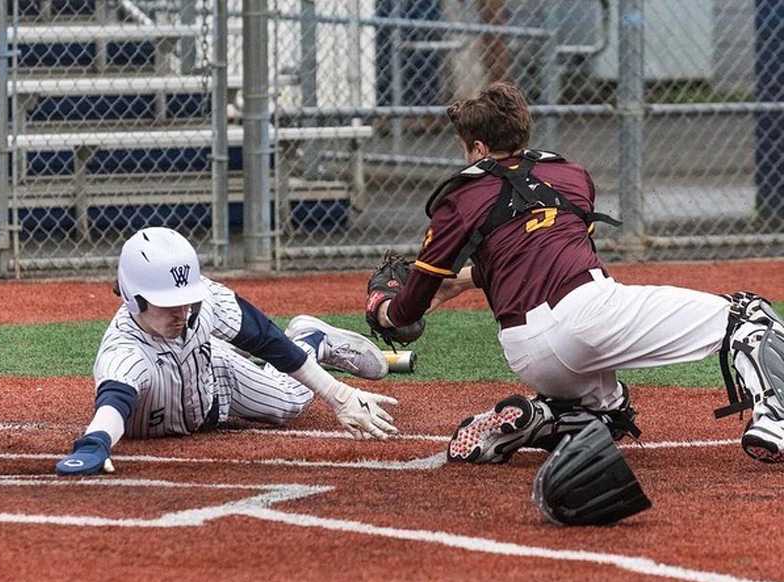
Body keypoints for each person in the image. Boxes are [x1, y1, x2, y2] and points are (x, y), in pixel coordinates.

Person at [366, 81, 784, 465]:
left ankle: (538, 417)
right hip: (589, 313)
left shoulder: (459, 196)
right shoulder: (569, 175)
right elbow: (553, 246)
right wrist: (469, 280)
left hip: (527, 351)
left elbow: (413, 306)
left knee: (610, 415)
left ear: (476, 147)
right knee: (747, 314)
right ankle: (775, 419)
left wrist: (388, 311)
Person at [56, 227, 398, 476]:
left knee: (288, 405)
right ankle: (310, 342)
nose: (183, 312)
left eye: (185, 301)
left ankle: (311, 340)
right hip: (186, 400)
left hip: (215, 378)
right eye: (168, 304)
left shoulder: (203, 300)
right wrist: (93, 445)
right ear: (134, 297)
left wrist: (338, 396)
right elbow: (113, 407)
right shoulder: (124, 351)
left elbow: (268, 340)